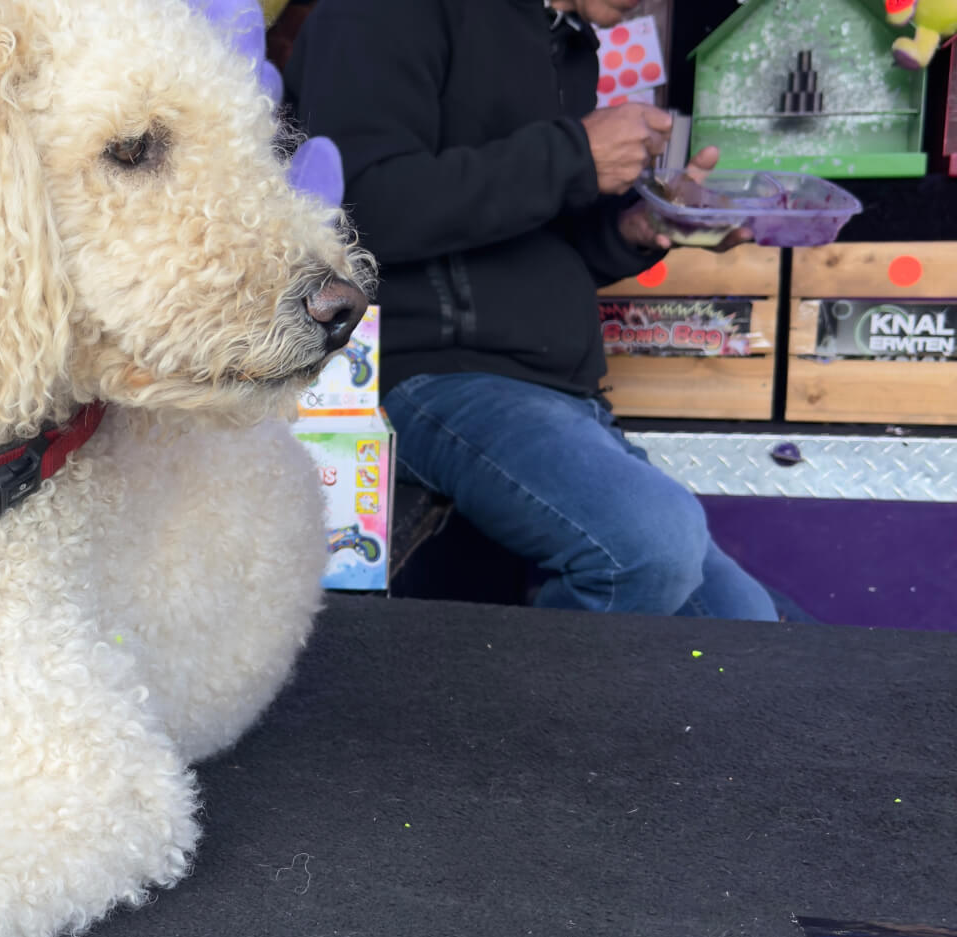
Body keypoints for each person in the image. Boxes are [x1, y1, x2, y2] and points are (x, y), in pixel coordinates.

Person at [284, 0, 780, 621]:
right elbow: (357, 211)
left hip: (555, 392)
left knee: (744, 620)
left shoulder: (568, 42)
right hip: (428, 377)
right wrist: (573, 157)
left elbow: (539, 244)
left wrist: (637, 225)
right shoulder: (382, 12)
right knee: (650, 544)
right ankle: (513, 714)